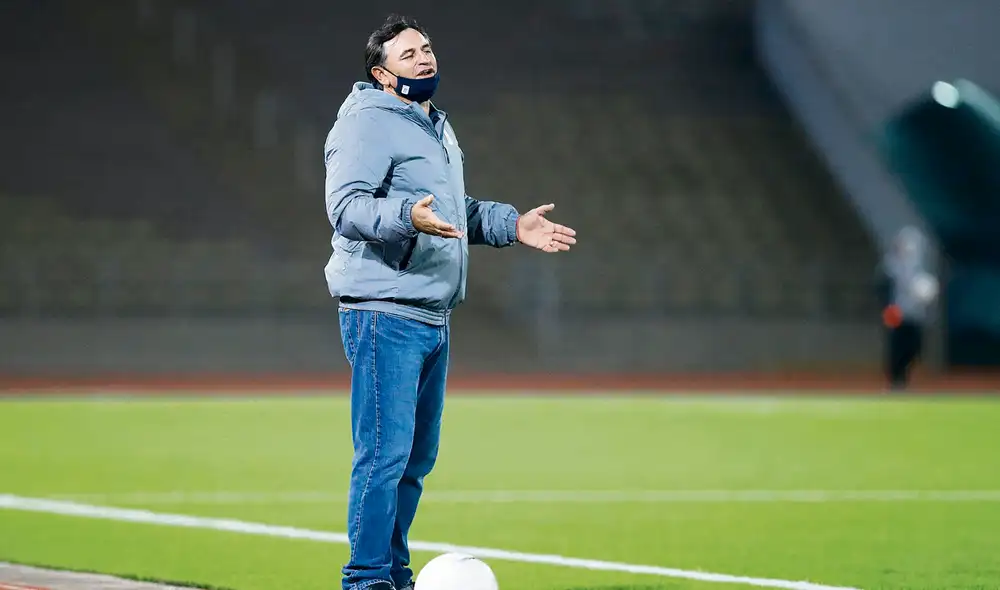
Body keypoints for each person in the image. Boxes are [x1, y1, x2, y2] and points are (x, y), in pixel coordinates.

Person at [323, 14, 577, 590]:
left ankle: (392, 574)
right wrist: (403, 217)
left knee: (412, 464)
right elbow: (347, 207)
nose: (424, 57)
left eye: (427, 48)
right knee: (383, 459)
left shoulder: (433, 126)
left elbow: (449, 213)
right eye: (409, 54)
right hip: (383, 308)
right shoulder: (365, 122)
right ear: (382, 73)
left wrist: (512, 224)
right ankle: (365, 582)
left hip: (429, 312)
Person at [876, 226, 938, 390]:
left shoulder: (920, 268)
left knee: (914, 347)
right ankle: (896, 380)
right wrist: (887, 308)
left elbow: (926, 290)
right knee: (897, 347)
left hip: (916, 315)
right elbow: (883, 287)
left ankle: (904, 377)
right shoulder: (891, 265)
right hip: (897, 314)